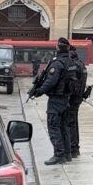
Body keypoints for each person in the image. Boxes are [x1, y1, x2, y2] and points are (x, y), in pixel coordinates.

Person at [29, 37, 74, 165]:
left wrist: (38, 91)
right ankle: (67, 154)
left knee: (53, 126)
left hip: (56, 99)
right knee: (64, 127)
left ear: (57, 47)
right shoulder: (71, 62)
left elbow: (50, 81)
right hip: (66, 98)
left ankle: (59, 154)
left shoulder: (57, 64)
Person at [66, 46, 88, 159]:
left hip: (73, 98)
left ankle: (73, 148)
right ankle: (75, 148)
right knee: (74, 122)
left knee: (71, 123)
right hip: (78, 97)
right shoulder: (81, 64)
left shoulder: (74, 66)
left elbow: (72, 84)